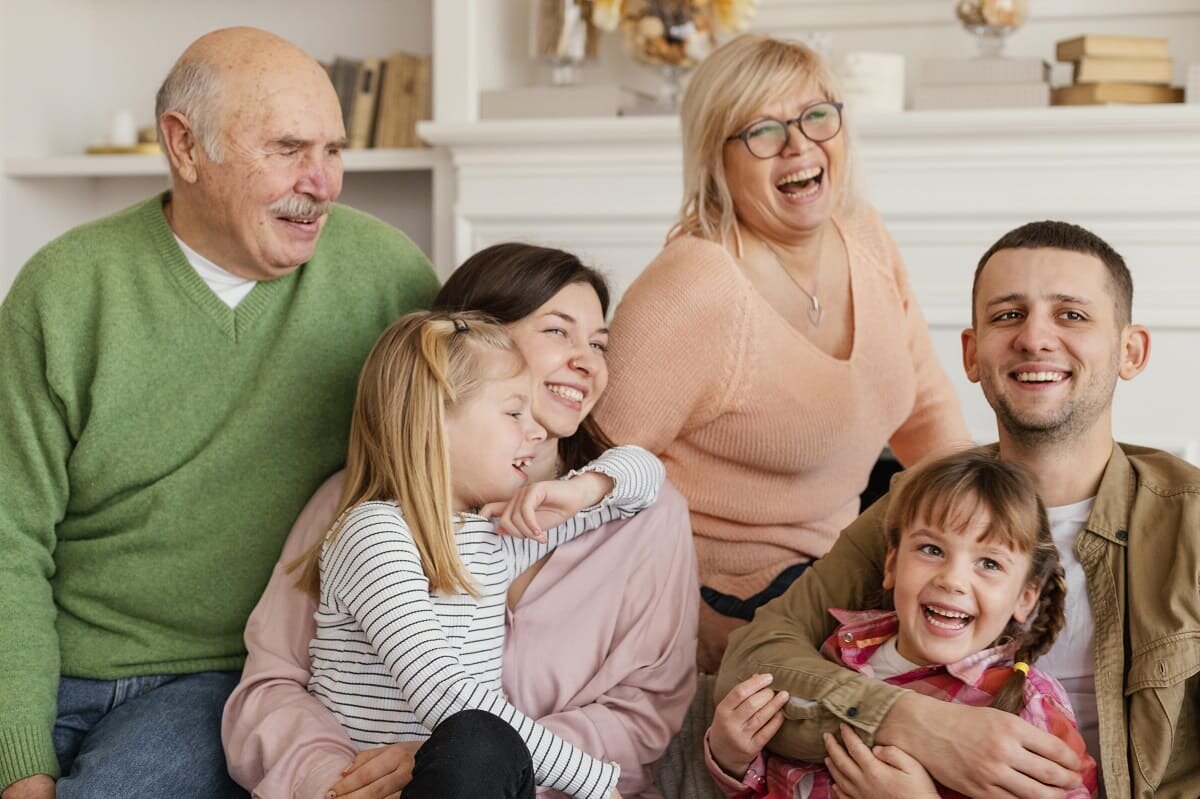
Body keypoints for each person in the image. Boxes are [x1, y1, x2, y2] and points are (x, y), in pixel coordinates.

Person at [0, 27, 438, 799]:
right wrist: (22, 764)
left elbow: (472, 470)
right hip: (48, 661)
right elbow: (8, 538)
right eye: (289, 147)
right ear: (185, 146)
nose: (324, 182)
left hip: (217, 679)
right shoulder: (65, 289)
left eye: (334, 151)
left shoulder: (389, 279)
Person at [718, 220, 1200, 799]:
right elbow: (755, 658)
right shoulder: (922, 505)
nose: (1035, 339)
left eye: (1071, 315)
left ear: (1131, 351)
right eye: (1007, 315)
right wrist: (919, 723)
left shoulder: (1187, 522)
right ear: (972, 355)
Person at [222, 243, 699, 799]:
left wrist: (587, 489)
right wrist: (340, 781)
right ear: (473, 340)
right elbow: (272, 688)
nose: (588, 361)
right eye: (557, 332)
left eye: (598, 343)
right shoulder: (357, 509)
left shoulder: (634, 517)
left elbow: (640, 721)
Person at [592, 33, 970, 674]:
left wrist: (991, 529)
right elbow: (588, 475)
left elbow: (924, 410)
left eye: (817, 116)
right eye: (763, 131)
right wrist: (687, 620)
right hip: (726, 598)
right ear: (718, 158)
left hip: (834, 579)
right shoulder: (694, 286)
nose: (800, 145)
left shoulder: (865, 235)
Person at [291, 309, 664, 799]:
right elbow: (443, 692)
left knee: (485, 746)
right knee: (480, 737)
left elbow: (646, 477)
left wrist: (582, 491)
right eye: (513, 412)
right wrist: (596, 784)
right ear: (433, 422)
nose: (536, 431)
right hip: (397, 784)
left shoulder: (493, 534)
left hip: (471, 780)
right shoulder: (374, 533)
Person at [706, 447, 1098, 798]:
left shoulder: (1029, 706)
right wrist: (734, 761)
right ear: (892, 563)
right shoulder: (836, 650)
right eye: (932, 549)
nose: (952, 579)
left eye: (989, 563)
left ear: (1024, 597)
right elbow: (784, 780)